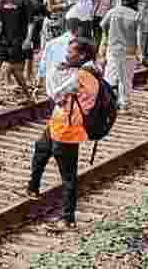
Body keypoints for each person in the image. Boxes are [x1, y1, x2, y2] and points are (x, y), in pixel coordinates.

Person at [26, 37, 100, 230]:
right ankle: (33, 187)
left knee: (68, 176)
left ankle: (68, 218)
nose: (66, 55)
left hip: (68, 129)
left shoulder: (84, 76)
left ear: (82, 55)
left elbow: (54, 93)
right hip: (58, 124)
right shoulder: (87, 71)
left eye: (71, 53)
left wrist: (57, 70)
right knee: (41, 149)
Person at [100, 0, 141, 111]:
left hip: (113, 49)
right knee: (126, 78)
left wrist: (107, 38)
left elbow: (102, 25)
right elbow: (139, 35)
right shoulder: (136, 16)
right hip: (129, 51)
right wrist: (140, 51)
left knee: (110, 75)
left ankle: (107, 101)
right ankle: (124, 103)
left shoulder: (113, 11)